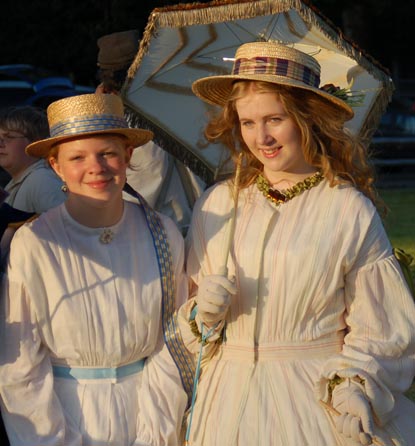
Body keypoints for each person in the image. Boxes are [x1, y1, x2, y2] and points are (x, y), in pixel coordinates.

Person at [178, 41, 415, 445]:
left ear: (307, 120)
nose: (262, 137)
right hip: (225, 404)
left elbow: (380, 327)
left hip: (311, 402)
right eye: (248, 123)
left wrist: (353, 386)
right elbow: (191, 326)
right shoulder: (218, 203)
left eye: (275, 119)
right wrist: (202, 314)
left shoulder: (346, 208)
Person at [0, 93, 193, 445]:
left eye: (107, 153)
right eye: (77, 157)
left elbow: (171, 343)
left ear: (127, 156)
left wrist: (155, 433)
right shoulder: (36, 243)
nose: (97, 168)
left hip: (147, 411)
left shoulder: (161, 233)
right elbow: (21, 365)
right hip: (66, 415)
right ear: (56, 166)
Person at [96, 29, 205, 235]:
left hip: (162, 228)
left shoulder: (132, 121)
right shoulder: (165, 105)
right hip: (184, 221)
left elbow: (149, 178)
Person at [0, 105, 66, 213]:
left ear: (35, 143)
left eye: (9, 137)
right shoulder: (20, 181)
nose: (0, 144)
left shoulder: (42, 180)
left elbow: (65, 226)